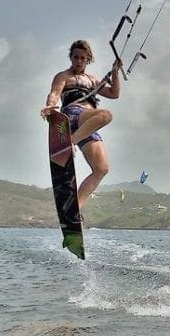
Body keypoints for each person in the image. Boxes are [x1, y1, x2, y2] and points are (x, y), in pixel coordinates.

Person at [40, 40, 123, 209]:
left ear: (88, 59)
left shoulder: (93, 80)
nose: (78, 61)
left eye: (82, 58)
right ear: (71, 57)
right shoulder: (64, 76)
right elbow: (54, 94)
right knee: (106, 115)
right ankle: (70, 143)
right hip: (73, 115)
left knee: (102, 168)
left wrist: (115, 72)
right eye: (75, 57)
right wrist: (51, 107)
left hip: (87, 125)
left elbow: (114, 93)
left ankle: (74, 209)